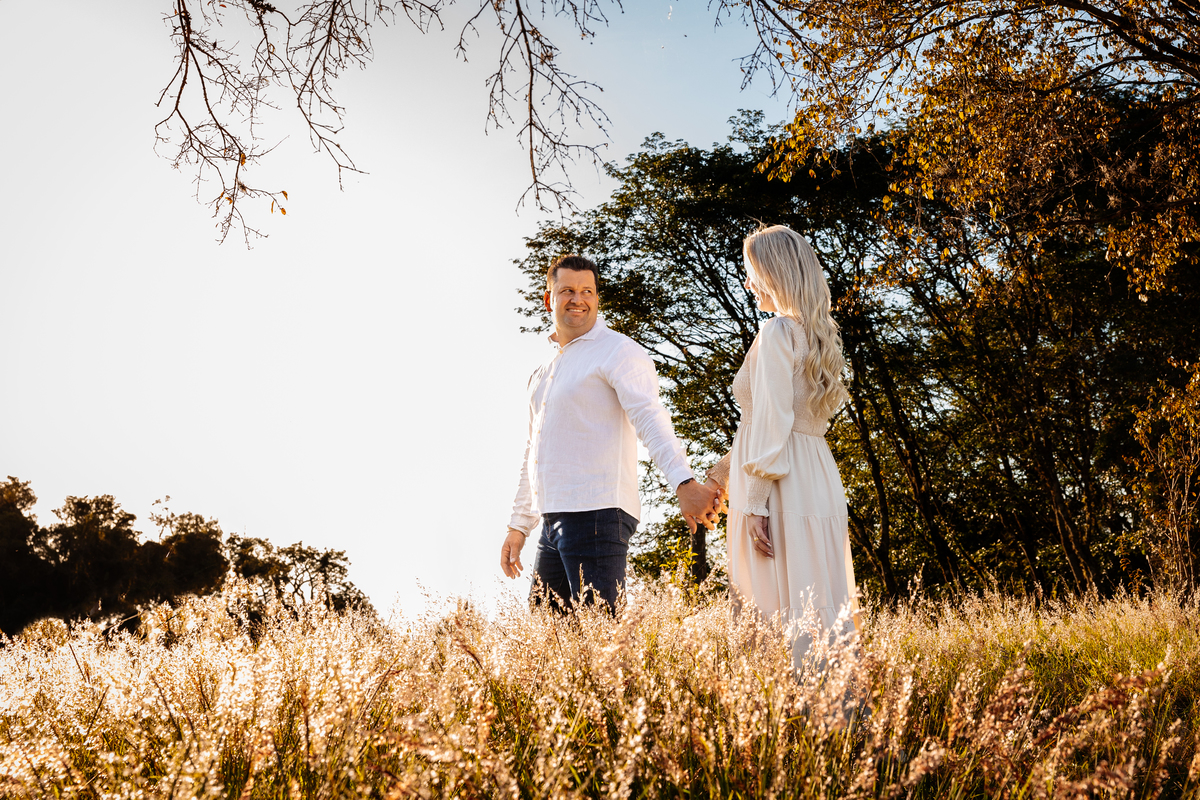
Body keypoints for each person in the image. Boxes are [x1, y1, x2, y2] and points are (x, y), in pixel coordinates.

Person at [500, 255, 721, 612]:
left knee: (601, 635)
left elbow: (650, 418)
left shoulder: (619, 351)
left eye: (587, 290)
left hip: (598, 514)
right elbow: (535, 453)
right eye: (567, 290)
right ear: (549, 299)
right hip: (552, 520)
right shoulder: (541, 375)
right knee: (547, 645)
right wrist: (519, 526)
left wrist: (684, 482)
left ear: (597, 299)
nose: (578, 298)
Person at [703, 225, 860, 667]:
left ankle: (786, 723)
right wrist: (719, 475)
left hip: (779, 489)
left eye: (752, 272)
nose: (748, 283)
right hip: (816, 479)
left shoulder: (775, 332)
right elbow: (780, 425)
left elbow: (770, 427)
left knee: (771, 609)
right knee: (818, 606)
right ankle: (834, 720)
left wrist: (754, 504)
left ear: (774, 272)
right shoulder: (816, 336)